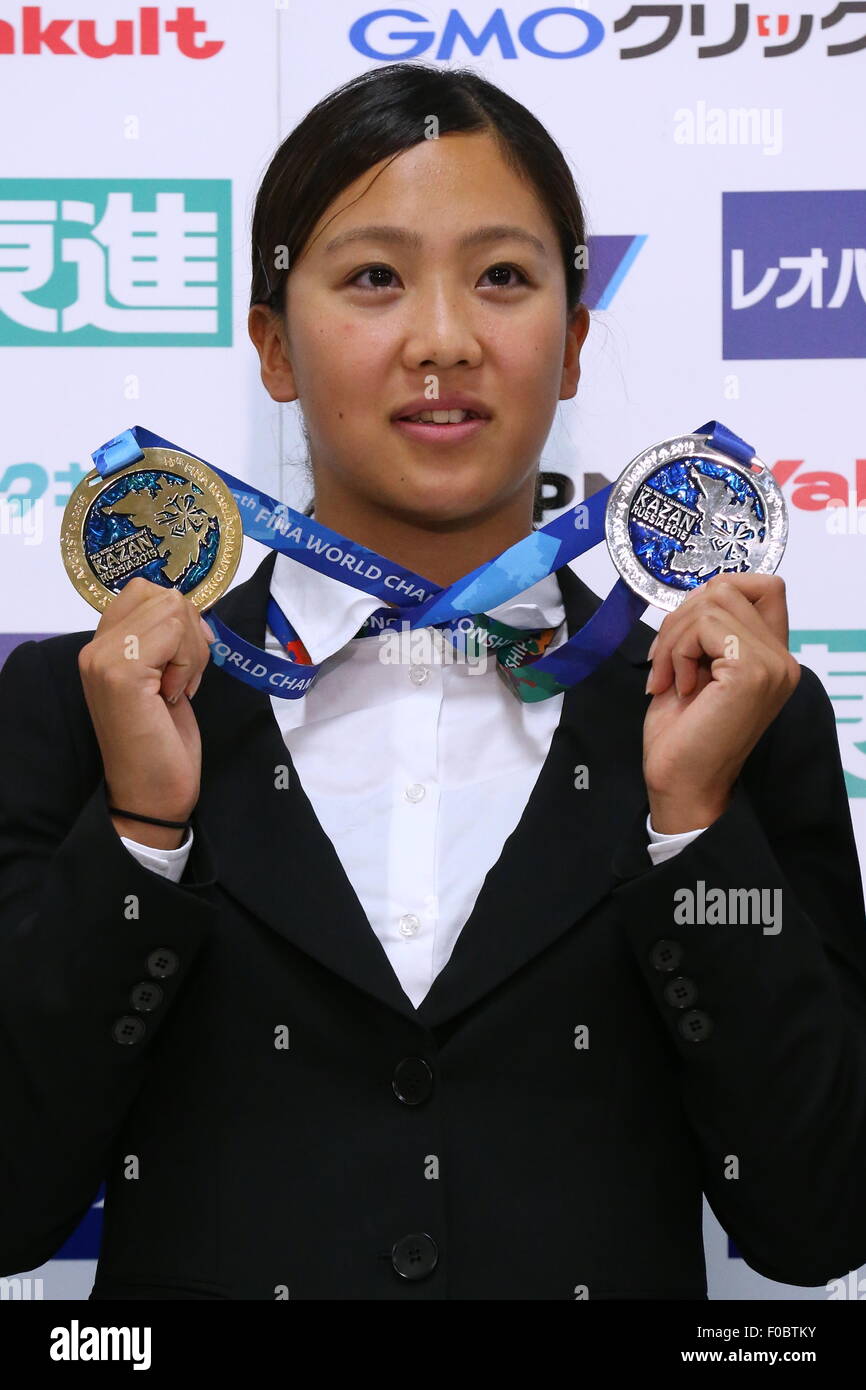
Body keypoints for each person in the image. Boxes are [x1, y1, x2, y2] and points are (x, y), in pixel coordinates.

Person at [1, 61, 866, 1302]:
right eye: (372, 278)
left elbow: (815, 1213)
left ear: (570, 345)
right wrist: (140, 837)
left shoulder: (727, 709)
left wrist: (690, 830)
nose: (445, 340)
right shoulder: (85, 708)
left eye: (504, 278)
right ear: (272, 344)